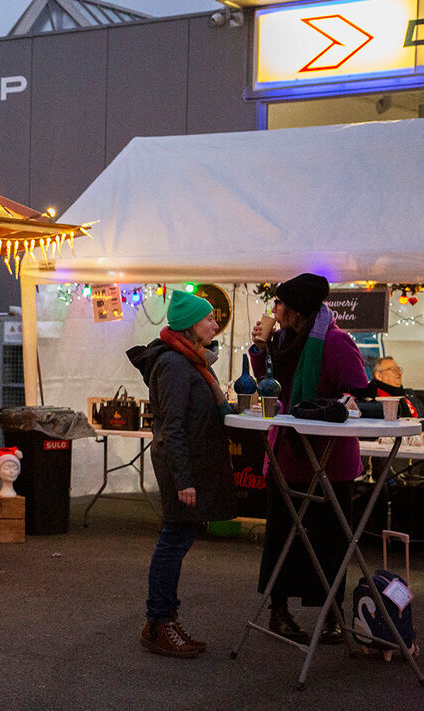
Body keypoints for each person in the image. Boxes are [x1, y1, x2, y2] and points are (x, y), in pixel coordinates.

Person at [249, 272, 368, 645]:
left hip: (329, 459)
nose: (274, 310)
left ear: (296, 309)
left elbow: (360, 388)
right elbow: (269, 385)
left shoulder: (334, 342)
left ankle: (333, 614)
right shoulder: (281, 341)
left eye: (280, 304)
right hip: (290, 455)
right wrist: (259, 349)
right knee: (282, 535)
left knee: (330, 537)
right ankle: (278, 611)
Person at [126, 290, 236, 658]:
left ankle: (163, 620)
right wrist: (184, 479)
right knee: (173, 540)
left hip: (190, 464)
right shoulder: (175, 365)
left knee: (178, 539)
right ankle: (158, 623)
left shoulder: (193, 362)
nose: (214, 324)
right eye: (208, 319)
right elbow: (172, 426)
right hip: (181, 467)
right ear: (191, 324)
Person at [357, 356, 423, 419]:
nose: (398, 373)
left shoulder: (409, 395)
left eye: (398, 369)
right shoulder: (371, 397)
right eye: (393, 369)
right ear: (379, 375)